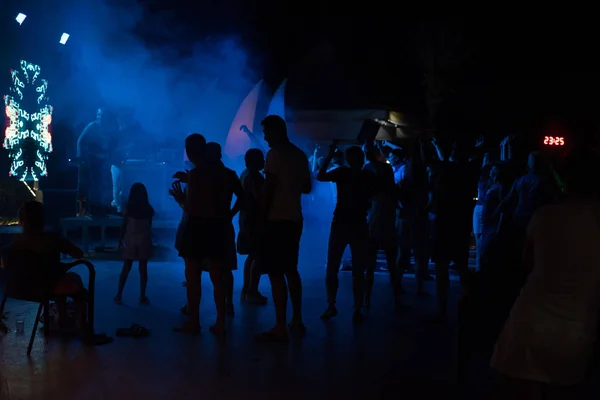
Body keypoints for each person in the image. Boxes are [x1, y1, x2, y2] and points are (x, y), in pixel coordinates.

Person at [491, 148, 600, 398]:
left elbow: (527, 261)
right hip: (577, 327)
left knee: (519, 383)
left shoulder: (544, 215)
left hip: (531, 320)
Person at [172, 136, 242, 335]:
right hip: (218, 226)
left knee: (193, 277)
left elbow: (192, 207)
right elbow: (242, 198)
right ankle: (220, 322)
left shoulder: (196, 175)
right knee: (217, 277)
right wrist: (229, 214)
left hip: (197, 227)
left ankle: (194, 322)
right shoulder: (226, 174)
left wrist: (180, 199)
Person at [256, 115, 311, 342]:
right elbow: (307, 187)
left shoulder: (274, 155)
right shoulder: (299, 154)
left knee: (276, 273)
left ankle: (280, 326)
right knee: (291, 269)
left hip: (276, 220)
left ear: (277, 132)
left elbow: (268, 189)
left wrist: (259, 219)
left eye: (267, 133)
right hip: (294, 219)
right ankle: (296, 318)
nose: (265, 137)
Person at [2, 201, 86, 329]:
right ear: (42, 219)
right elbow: (79, 254)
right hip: (47, 288)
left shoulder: (14, 241)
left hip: (17, 289)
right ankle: (80, 324)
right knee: (73, 279)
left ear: (21, 221)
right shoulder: (54, 238)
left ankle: (61, 318)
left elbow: (5, 264)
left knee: (58, 277)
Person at [317, 144, 373, 323]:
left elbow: (320, 176)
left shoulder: (342, 173)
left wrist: (328, 156)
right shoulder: (367, 176)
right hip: (358, 224)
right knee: (357, 270)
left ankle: (332, 305)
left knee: (333, 266)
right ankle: (356, 309)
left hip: (341, 223)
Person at [362, 142, 401, 309]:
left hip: (374, 224)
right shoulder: (387, 171)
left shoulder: (367, 169)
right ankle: (396, 300)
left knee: (370, 265)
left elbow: (363, 195)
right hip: (387, 223)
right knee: (392, 263)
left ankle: (366, 300)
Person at [114, 183, 154, 305]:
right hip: (144, 240)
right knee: (143, 268)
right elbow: (149, 226)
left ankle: (119, 294)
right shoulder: (149, 209)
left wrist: (120, 239)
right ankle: (142, 296)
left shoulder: (129, 208)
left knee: (126, 267)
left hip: (130, 239)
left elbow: (124, 225)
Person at [76, 107, 119, 216]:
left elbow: (114, 144)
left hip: (105, 161)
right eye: (99, 115)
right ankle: (92, 209)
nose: (101, 118)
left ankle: (103, 208)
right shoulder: (92, 126)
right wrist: (81, 157)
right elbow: (80, 141)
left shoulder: (110, 128)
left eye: (103, 115)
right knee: (95, 185)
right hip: (92, 160)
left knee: (105, 185)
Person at [238, 148, 268, 305]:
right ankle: (252, 291)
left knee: (251, 256)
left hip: (245, 220)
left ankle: (246, 290)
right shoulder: (255, 177)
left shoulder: (244, 174)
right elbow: (260, 199)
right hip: (256, 222)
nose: (264, 162)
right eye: (261, 159)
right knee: (258, 256)